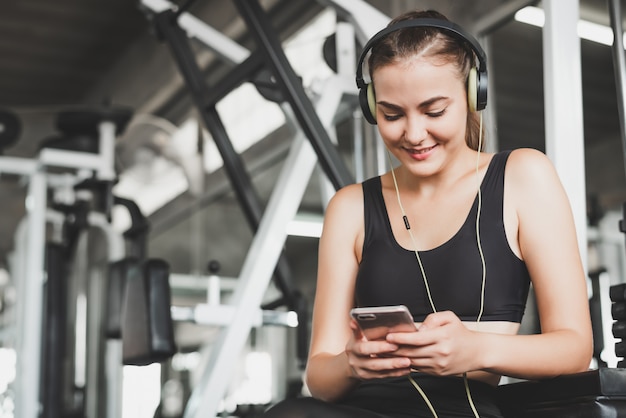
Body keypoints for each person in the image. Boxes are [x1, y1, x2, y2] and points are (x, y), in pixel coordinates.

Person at [262, 8, 593, 418]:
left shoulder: (523, 176)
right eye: (392, 114)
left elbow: (575, 348)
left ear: (474, 95)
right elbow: (321, 377)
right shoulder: (349, 208)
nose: (414, 134)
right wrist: (351, 363)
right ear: (371, 108)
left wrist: (475, 349)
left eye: (434, 111)